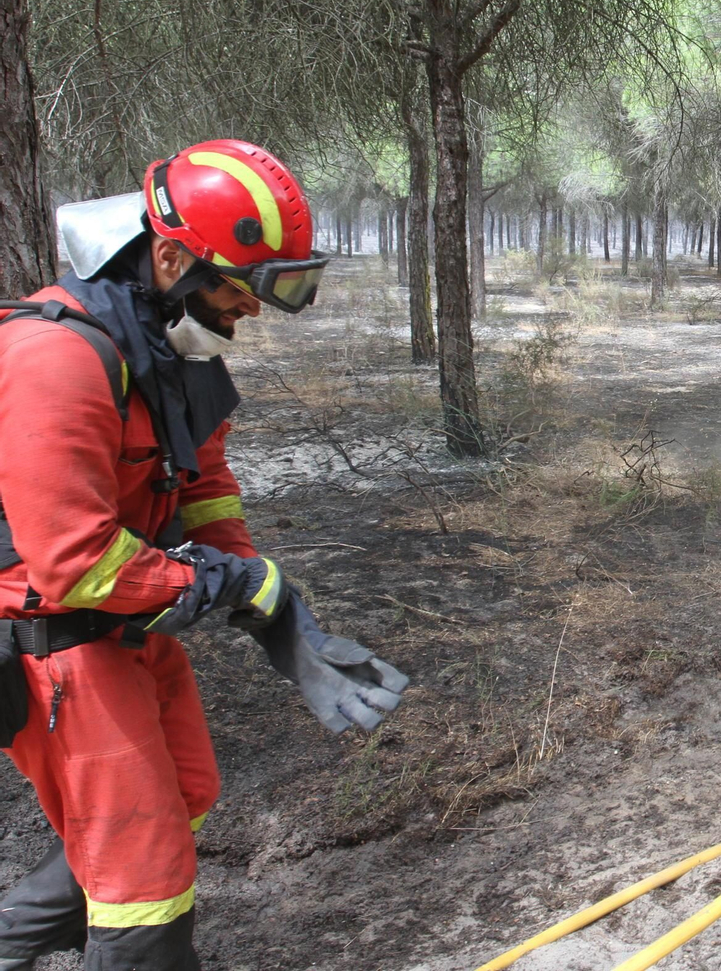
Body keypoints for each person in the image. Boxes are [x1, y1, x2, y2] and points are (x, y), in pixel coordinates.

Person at [0, 139, 409, 969]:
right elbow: (76, 563)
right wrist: (227, 582)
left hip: (128, 626)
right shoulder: (58, 359)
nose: (251, 311)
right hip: (58, 647)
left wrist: (271, 602)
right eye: (238, 288)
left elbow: (206, 485)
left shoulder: (172, 350)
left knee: (187, 790)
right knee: (144, 880)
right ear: (171, 255)